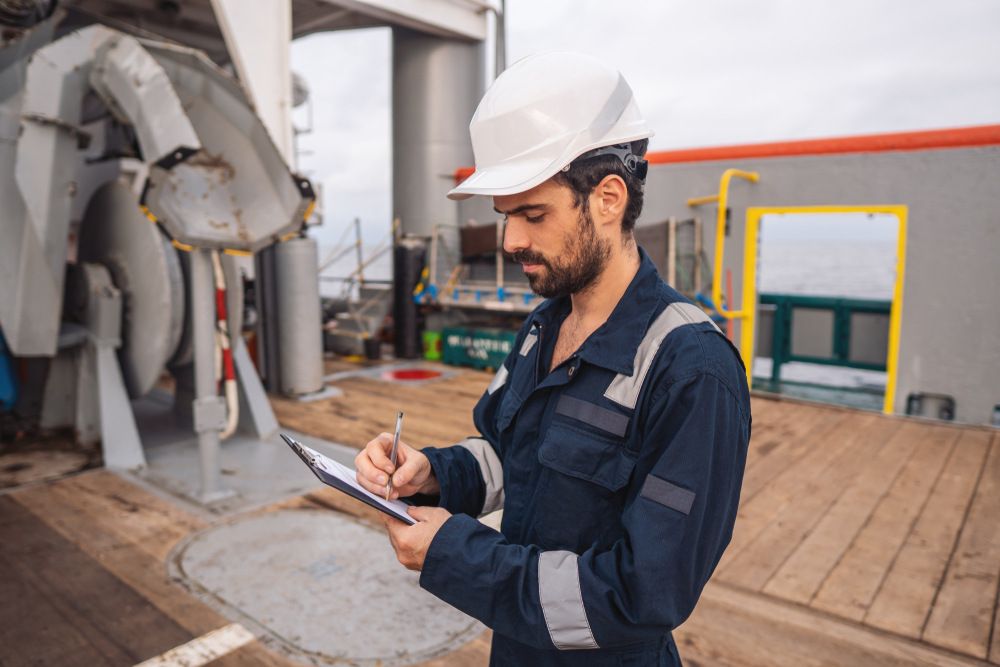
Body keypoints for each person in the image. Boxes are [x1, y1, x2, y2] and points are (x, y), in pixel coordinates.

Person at [355, 52, 751, 666]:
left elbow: (645, 592)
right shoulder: (544, 325)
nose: (511, 241)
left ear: (608, 198)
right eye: (506, 217)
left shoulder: (693, 370)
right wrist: (430, 473)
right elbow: (509, 456)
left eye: (533, 214)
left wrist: (455, 556)